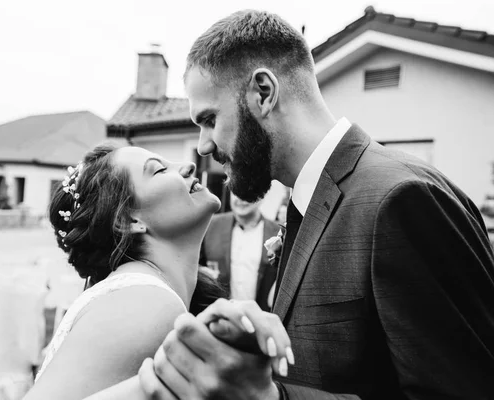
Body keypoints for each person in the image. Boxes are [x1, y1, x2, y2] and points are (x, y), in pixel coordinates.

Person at [138, 10, 494, 399]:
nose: (204, 145)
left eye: (209, 118)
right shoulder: (305, 205)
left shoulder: (401, 199)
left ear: (263, 92)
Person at [23, 144, 292, 400]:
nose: (188, 165)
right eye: (159, 170)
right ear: (128, 221)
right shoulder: (146, 303)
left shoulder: (151, 297)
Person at [201, 192, 279, 310]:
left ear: (262, 197)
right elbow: (193, 264)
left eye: (247, 192)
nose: (241, 199)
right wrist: (203, 273)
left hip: (260, 317)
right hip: (219, 316)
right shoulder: (211, 225)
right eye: (236, 193)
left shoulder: (277, 233)